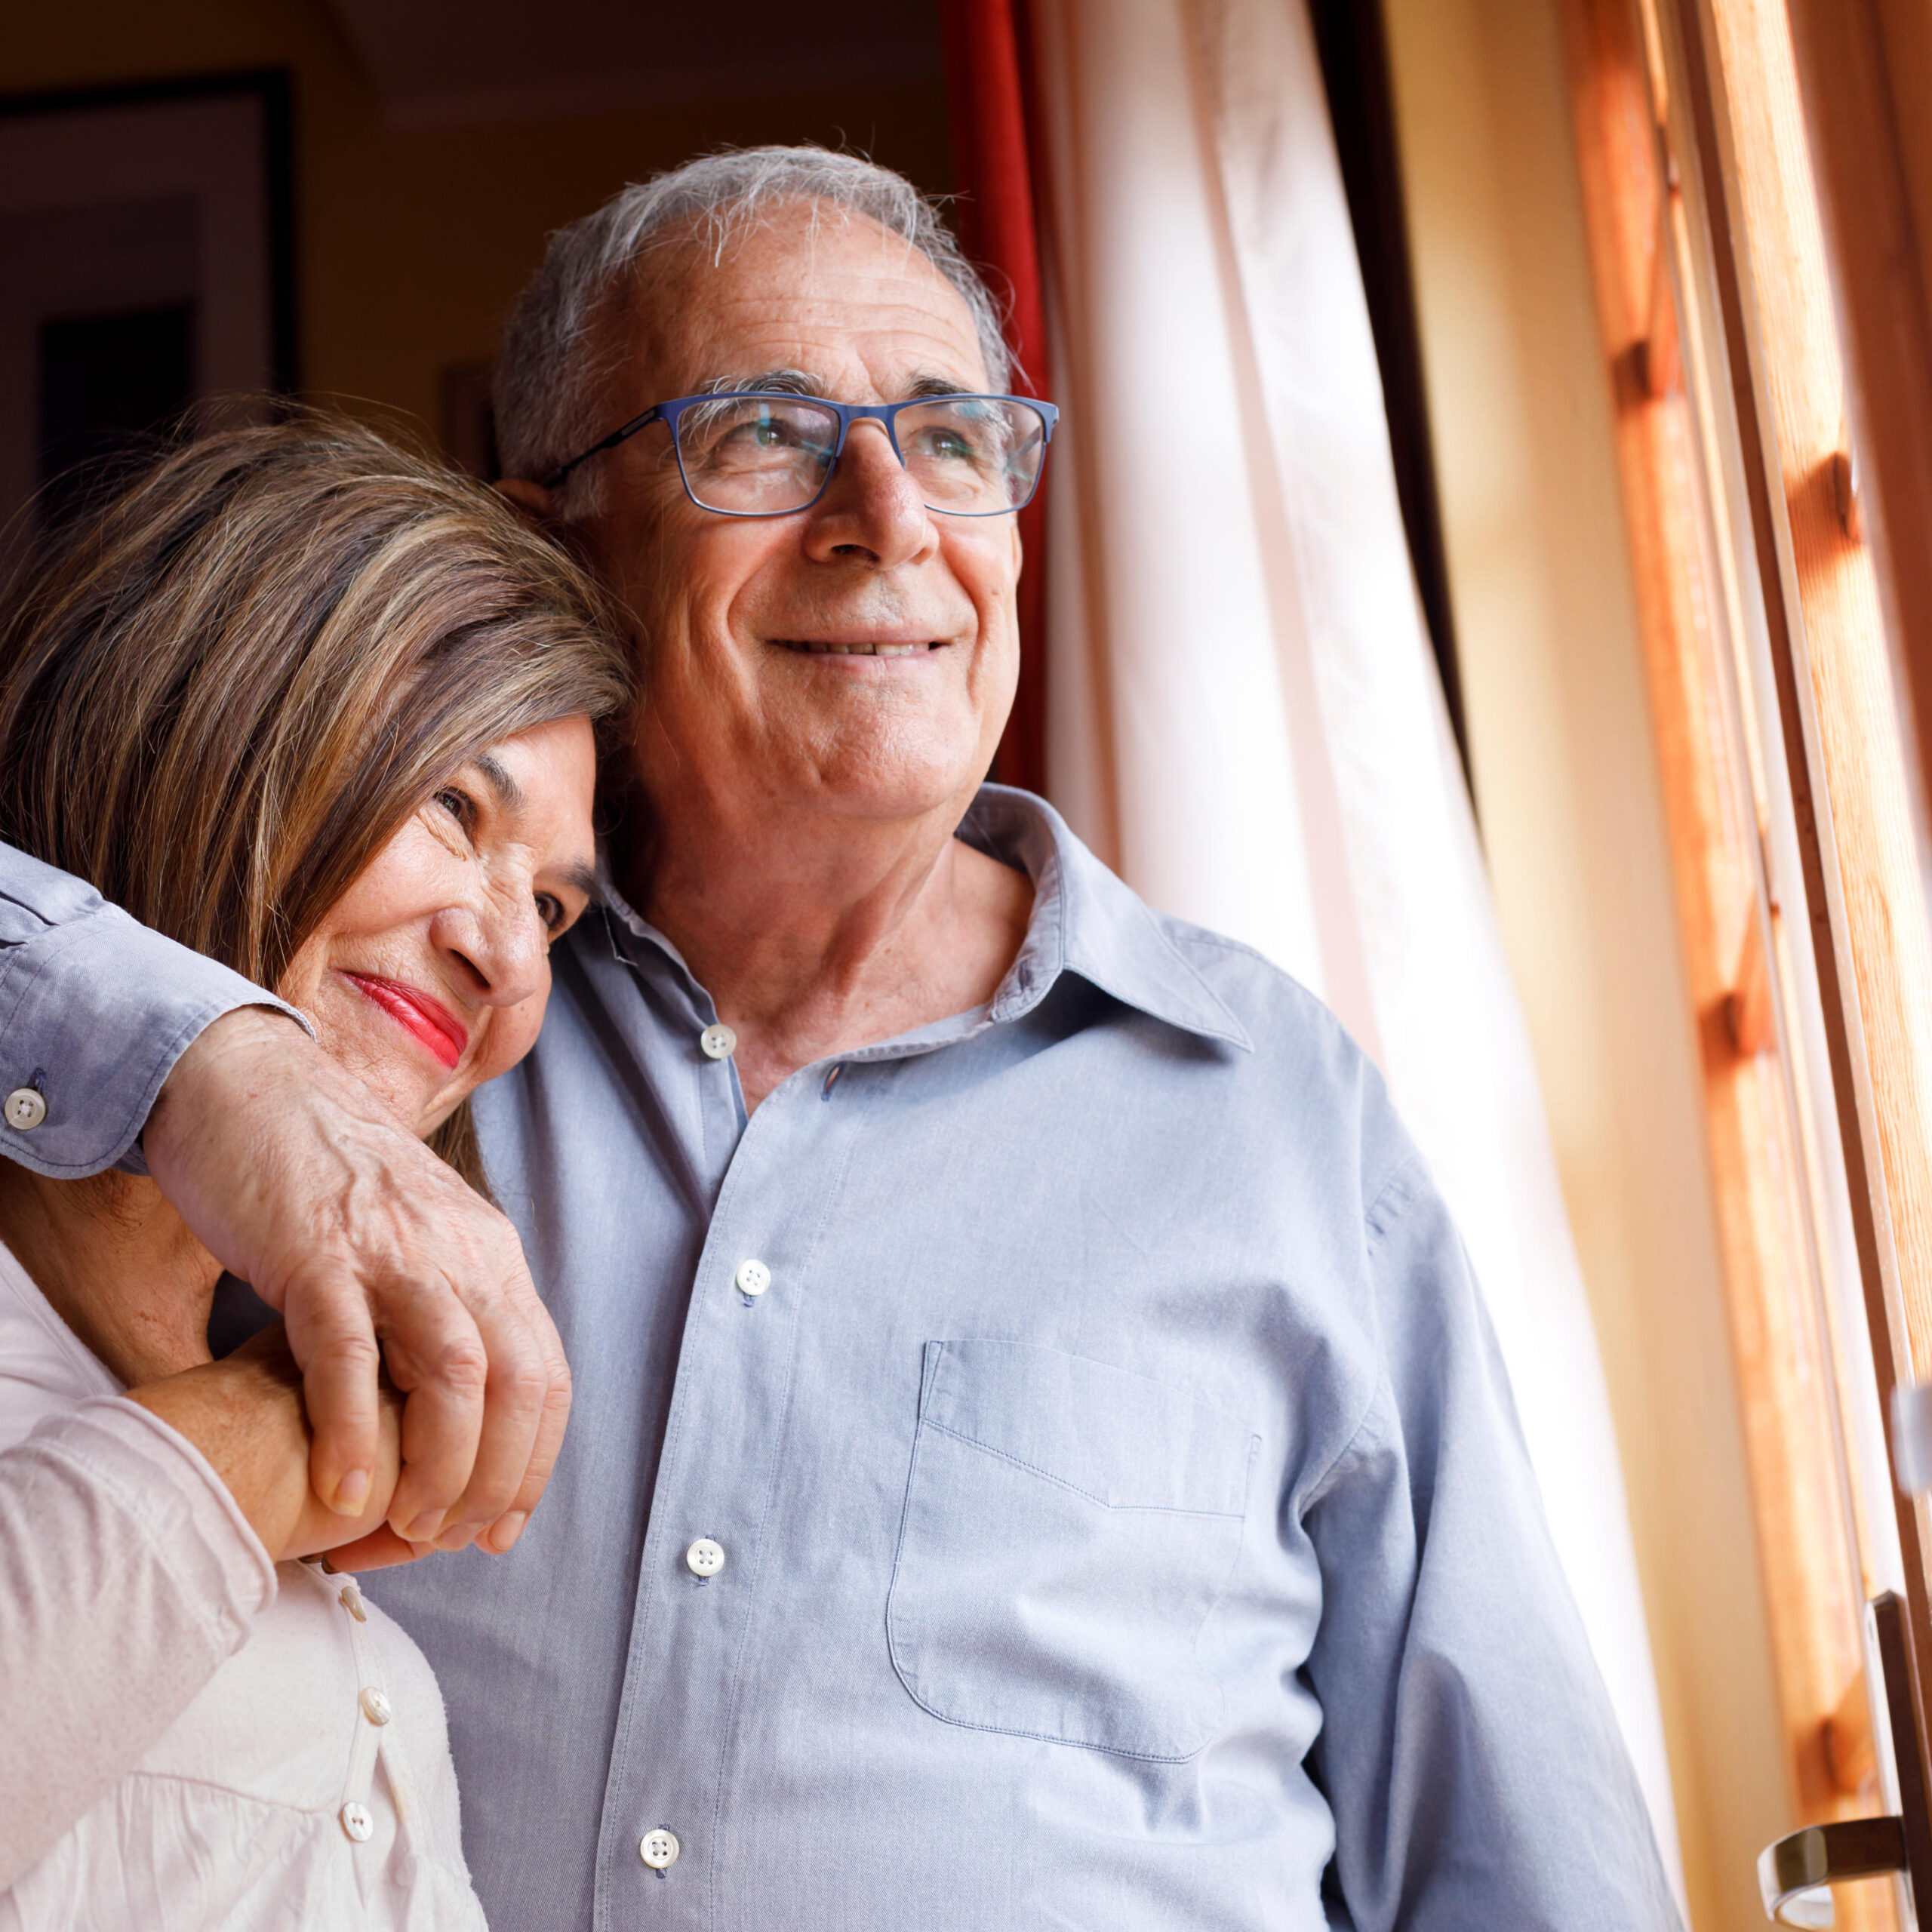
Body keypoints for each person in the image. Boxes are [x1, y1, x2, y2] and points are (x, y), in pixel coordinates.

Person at [0, 150, 1679, 1927]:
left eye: (955, 437)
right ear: (557, 534)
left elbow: (1525, 1862)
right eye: (767, 433)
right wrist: (215, 1062)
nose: (889, 513)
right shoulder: (379, 1027)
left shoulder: (1271, 1109)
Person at [0, 416, 629, 1927]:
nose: (501, 951)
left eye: (548, 905)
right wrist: (260, 1438)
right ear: (213, 733)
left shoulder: (354, 1579)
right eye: (451, 809)